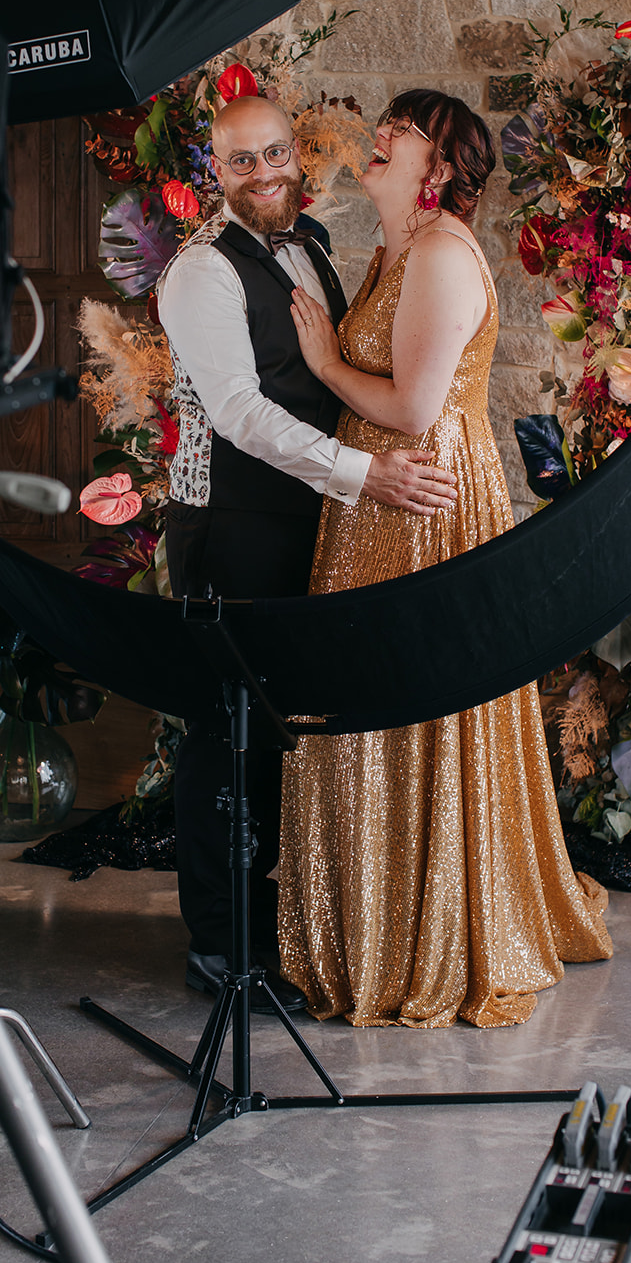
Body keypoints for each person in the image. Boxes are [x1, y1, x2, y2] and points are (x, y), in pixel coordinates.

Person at [278, 88, 612, 1028]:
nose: (378, 136)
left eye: (402, 131)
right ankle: (367, 924)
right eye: (382, 125)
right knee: (366, 697)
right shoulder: (392, 250)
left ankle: (422, 937)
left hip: (422, 501)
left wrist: (322, 362)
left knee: (407, 689)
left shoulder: (437, 254)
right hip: (376, 499)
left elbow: (418, 410)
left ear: (440, 169)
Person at [156, 91, 458, 1014]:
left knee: (287, 735)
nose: (264, 174)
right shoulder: (200, 274)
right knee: (226, 734)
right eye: (241, 161)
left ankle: (280, 929)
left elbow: (331, 375)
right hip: (230, 527)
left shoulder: (315, 243)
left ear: (298, 153)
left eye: (276, 154)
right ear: (217, 171)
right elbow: (243, 416)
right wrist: (362, 477)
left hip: (306, 520)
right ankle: (220, 947)